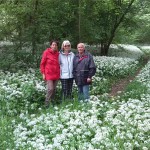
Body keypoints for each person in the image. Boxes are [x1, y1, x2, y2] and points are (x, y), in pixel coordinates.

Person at [40, 40, 60, 107]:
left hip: (56, 74)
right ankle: (46, 103)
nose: (54, 46)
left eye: (56, 45)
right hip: (48, 74)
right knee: (50, 89)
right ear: (50, 45)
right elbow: (42, 64)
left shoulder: (58, 54)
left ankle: (52, 102)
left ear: (57, 46)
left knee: (54, 89)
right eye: (53, 45)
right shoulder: (46, 52)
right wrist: (43, 73)